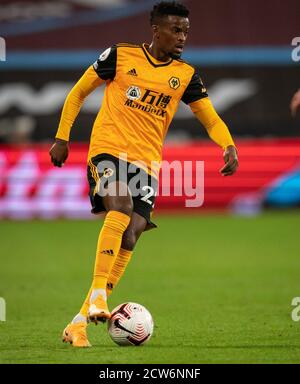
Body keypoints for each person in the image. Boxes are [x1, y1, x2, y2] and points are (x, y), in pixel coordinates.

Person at [49, 1, 239, 348]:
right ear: (156, 30)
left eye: (186, 31)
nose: (182, 37)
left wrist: (227, 145)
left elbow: (209, 118)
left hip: (147, 164)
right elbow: (78, 93)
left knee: (131, 235)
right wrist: (62, 137)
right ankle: (98, 295)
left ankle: (78, 323)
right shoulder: (119, 56)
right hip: (108, 150)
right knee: (119, 206)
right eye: (175, 30)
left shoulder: (184, 75)